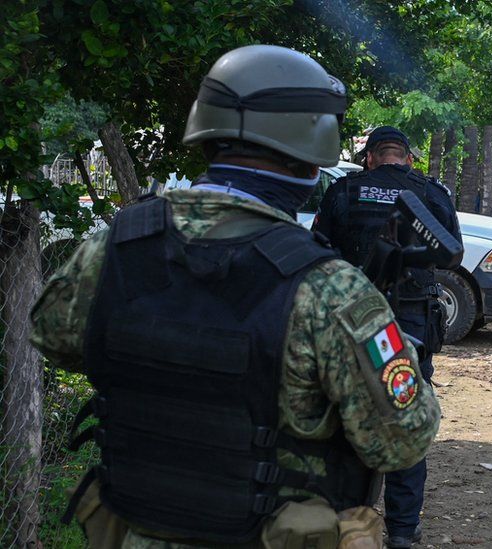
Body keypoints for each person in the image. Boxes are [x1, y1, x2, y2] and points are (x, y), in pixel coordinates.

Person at [30, 45, 440, 549]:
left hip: (132, 528)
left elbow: (53, 337)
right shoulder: (328, 287)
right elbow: (402, 439)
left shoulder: (116, 244)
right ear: (307, 141)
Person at [312, 125, 461, 549]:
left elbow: (319, 251)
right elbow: (451, 252)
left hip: (352, 316)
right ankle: (400, 529)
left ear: (370, 157)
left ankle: (343, 519)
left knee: (341, 411)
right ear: (408, 157)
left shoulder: (345, 190)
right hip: (411, 319)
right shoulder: (432, 193)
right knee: (405, 411)